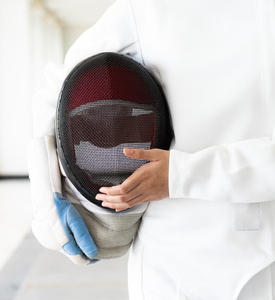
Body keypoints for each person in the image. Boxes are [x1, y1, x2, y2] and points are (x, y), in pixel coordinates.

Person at [29, 0, 275, 299]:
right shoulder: (146, 8)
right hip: (175, 256)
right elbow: (58, 89)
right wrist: (46, 194)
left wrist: (179, 174)